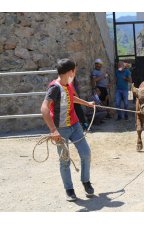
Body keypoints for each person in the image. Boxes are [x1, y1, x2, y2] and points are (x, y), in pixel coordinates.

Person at [40, 58, 95, 202]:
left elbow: (72, 98)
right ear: (70, 71)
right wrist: (53, 130)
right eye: (74, 70)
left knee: (86, 153)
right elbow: (44, 108)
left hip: (75, 126)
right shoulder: (55, 88)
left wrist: (87, 103)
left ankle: (86, 181)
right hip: (61, 129)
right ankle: (69, 190)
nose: (75, 73)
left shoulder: (68, 84)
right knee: (64, 160)